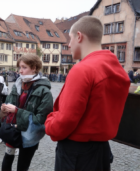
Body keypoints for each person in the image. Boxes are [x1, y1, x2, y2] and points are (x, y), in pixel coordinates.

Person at [44, 16, 130, 171]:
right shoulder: (117, 70)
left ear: (79, 36)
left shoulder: (83, 70)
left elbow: (65, 120)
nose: (69, 45)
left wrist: (49, 123)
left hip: (77, 154)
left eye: (70, 39)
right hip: (101, 150)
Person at [0, 54, 53, 171]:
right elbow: (9, 102)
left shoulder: (45, 91)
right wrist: (4, 108)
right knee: (6, 161)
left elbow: (41, 120)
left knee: (22, 166)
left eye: (24, 67)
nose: (20, 71)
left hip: (30, 135)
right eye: (20, 67)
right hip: (12, 130)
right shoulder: (18, 84)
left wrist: (17, 111)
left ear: (34, 68)